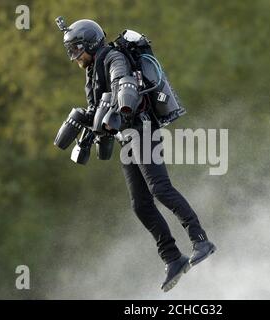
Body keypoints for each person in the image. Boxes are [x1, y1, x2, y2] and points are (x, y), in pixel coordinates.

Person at [57, 18, 216, 292]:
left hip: (142, 129)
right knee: (140, 205)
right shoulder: (93, 69)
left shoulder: (113, 57)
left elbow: (123, 82)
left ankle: (200, 240)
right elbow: (96, 106)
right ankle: (173, 258)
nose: (74, 57)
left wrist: (121, 107)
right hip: (127, 138)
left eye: (76, 49)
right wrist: (87, 123)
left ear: (91, 44)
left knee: (161, 189)